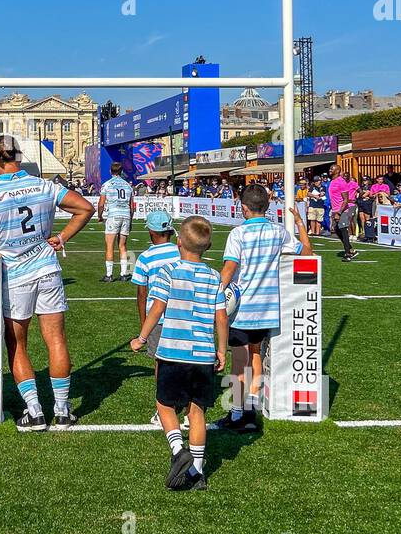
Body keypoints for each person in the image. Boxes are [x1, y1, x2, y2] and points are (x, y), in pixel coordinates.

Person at [0, 134, 94, 430]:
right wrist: (61, 237)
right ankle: (62, 409)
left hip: (14, 275)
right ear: (19, 156)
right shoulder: (45, 185)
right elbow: (85, 209)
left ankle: (35, 410)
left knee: (17, 343)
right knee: (55, 339)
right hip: (47, 268)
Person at [209, 181, 313, 433]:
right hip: (268, 308)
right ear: (266, 207)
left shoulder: (238, 234)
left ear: (243, 208)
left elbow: (229, 269)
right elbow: (307, 254)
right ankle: (251, 409)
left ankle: (236, 414)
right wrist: (300, 224)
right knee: (255, 353)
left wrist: (215, 294)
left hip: (244, 307)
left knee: (238, 361)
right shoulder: (278, 232)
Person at [137, 216, 228, 492]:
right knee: (197, 411)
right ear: (208, 246)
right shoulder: (214, 277)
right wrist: (221, 350)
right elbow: (221, 318)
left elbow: (157, 308)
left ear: (179, 242)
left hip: (172, 351)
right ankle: (197, 473)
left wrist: (141, 337)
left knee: (164, 404)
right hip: (202, 354)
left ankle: (178, 450)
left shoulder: (168, 271)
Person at [128, 208, 182, 423]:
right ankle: (185, 404)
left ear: (151, 232)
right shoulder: (181, 252)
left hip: (157, 318)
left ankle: (164, 408)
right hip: (181, 315)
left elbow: (141, 293)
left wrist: (144, 325)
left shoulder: (145, 257)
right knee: (182, 361)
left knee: (161, 363)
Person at [97, 161, 134, 282]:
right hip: (126, 215)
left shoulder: (107, 185)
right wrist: (131, 219)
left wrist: (100, 216)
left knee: (109, 246)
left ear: (110, 171)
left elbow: (101, 204)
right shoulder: (128, 186)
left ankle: (109, 275)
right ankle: (123, 274)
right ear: (121, 171)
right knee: (123, 246)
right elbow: (131, 206)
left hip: (114, 215)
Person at [328, 165, 359, 261]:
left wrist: (339, 212)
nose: (330, 170)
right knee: (337, 230)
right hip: (334, 209)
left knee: (343, 229)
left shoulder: (341, 182)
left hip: (342, 210)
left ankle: (348, 253)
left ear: (337, 170)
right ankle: (350, 249)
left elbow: (345, 200)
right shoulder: (332, 181)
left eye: (332, 169)